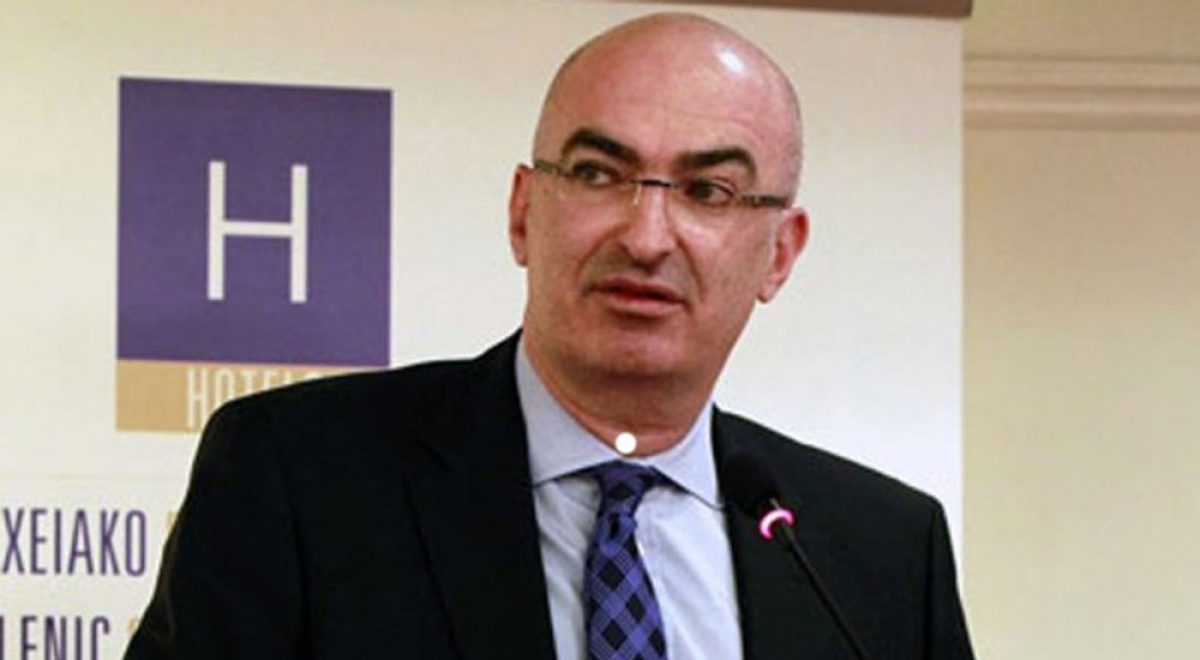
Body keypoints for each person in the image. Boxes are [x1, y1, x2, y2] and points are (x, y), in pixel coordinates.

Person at [126, 12, 974, 660]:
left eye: (708, 192)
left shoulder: (880, 553)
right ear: (524, 212)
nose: (646, 237)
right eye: (600, 174)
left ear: (779, 254)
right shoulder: (299, 477)